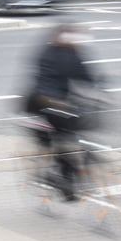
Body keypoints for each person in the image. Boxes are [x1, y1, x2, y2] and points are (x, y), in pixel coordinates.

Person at [24, 22, 100, 200]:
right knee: (61, 143)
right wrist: (55, 101)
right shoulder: (48, 54)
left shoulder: (74, 53)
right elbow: (45, 79)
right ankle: (60, 182)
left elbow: (85, 75)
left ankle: (70, 180)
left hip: (63, 103)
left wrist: (100, 88)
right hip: (41, 102)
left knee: (73, 140)